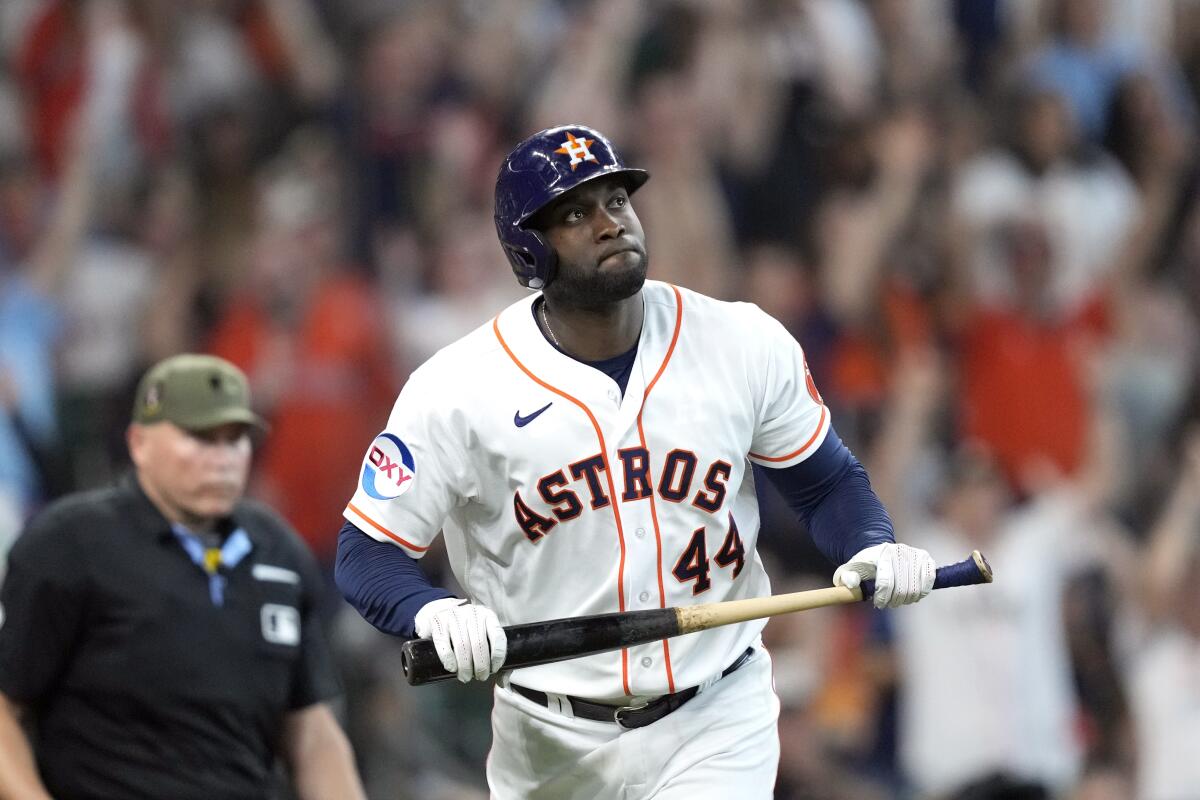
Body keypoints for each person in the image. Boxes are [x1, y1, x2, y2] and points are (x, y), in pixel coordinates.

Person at [334, 124, 938, 798]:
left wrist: (873, 544)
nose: (608, 223)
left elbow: (825, 483)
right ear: (528, 249)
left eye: (617, 201)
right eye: (575, 213)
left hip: (716, 713)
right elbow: (366, 551)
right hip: (551, 740)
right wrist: (432, 612)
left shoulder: (739, 341)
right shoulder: (457, 390)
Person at [0, 354, 366, 800]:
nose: (222, 458)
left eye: (235, 440)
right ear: (139, 443)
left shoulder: (277, 550)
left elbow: (311, 729)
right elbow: (5, 709)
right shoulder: (71, 544)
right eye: (200, 438)